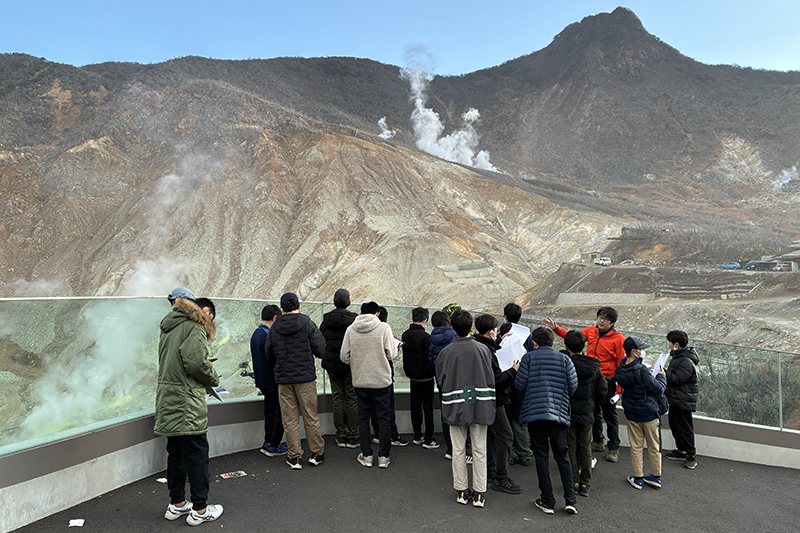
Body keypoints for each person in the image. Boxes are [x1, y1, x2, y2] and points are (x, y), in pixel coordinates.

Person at [156, 287, 224, 525]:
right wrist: (213, 378)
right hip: (187, 402)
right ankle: (200, 510)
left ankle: (177, 504)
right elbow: (195, 363)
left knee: (175, 454)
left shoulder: (167, 328)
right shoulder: (194, 327)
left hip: (169, 399)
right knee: (197, 456)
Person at [545, 307, 626, 462]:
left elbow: (621, 365)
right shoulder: (591, 331)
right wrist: (556, 329)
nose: (601, 321)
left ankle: (614, 447)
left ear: (612, 323)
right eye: (600, 317)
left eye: (605, 319)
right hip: (590, 378)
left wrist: (619, 389)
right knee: (594, 412)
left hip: (607, 380)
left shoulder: (618, 339)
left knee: (609, 414)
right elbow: (573, 339)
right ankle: (598, 441)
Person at [436, 310, 496, 508]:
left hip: (454, 405)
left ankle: (461, 491)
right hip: (480, 404)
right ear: (471, 327)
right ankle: (479, 493)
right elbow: (490, 378)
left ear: (452, 327)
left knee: (458, 449)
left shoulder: (446, 353)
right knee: (480, 449)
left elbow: (441, 381)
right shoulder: (483, 350)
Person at [515, 326, 578, 515]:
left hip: (535, 414)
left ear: (534, 342)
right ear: (552, 341)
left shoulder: (528, 358)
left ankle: (548, 500)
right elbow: (573, 386)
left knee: (541, 457)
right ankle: (571, 500)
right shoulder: (565, 359)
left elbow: (520, 385)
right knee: (562, 457)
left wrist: (518, 371)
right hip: (558, 414)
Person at [266, 292, 327, 470]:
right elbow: (320, 349)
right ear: (299, 306)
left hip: (284, 380)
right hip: (305, 378)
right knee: (310, 416)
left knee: (289, 419)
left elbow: (269, 353)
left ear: (281, 309)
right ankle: (317, 453)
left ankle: (294, 457)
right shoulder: (307, 323)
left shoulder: (275, 327)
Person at [340, 301, 398, 468]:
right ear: (377, 313)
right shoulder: (384, 328)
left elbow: (344, 356)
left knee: (363, 418)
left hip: (360, 380)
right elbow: (391, 354)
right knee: (384, 418)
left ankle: (366, 455)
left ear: (361, 313)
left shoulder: (351, 329)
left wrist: (357, 362)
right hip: (381, 380)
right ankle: (383, 457)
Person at [472, 314, 521, 495]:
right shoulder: (487, 350)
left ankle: (491, 470)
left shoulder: (478, 344)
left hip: (483, 398)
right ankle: (501, 478)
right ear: (490, 331)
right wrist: (513, 371)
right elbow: (497, 379)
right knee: (505, 435)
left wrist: (500, 341)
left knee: (492, 436)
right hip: (494, 399)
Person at [614, 336, 666, 490]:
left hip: (632, 412)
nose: (643, 351)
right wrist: (661, 376)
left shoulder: (621, 369)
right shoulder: (641, 370)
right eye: (641, 349)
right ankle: (655, 476)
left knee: (636, 446)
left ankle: (637, 478)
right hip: (649, 412)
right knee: (654, 446)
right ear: (634, 351)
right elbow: (658, 389)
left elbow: (631, 380)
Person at [563, 330, 607, 497]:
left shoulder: (565, 364)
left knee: (571, 447)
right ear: (584, 346)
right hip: (587, 413)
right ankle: (585, 483)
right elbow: (602, 390)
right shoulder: (594, 367)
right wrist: (593, 404)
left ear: (566, 346)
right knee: (585, 448)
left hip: (568, 412)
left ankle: (573, 480)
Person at [319, 288, 359, 449]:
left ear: (334, 302)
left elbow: (320, 340)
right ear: (349, 302)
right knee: (351, 398)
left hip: (332, 365)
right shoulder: (354, 320)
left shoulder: (326, 320)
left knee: (338, 398)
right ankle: (353, 436)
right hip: (350, 365)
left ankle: (341, 435)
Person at [250, 304, 287, 457]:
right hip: (272, 379)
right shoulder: (267, 336)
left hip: (262, 380)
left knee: (270, 411)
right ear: (275, 318)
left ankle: (267, 442)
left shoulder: (256, 334)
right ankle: (274, 445)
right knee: (279, 412)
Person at [501, 303, 535, 467]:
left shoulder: (502, 334)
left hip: (506, 379)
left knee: (508, 419)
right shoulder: (527, 336)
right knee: (520, 419)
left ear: (505, 316)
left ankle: (512, 452)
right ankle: (525, 452)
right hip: (522, 380)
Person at [369, 306, 407, 446]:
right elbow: (390, 354)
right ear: (385, 319)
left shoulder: (368, 331)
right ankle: (392, 435)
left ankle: (378, 434)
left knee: (373, 405)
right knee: (388, 405)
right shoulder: (385, 330)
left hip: (370, 373)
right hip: (385, 373)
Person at [401, 307, 439, 449]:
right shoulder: (426, 337)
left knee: (415, 406)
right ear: (425, 320)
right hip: (426, 377)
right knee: (427, 408)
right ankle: (429, 439)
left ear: (412, 319)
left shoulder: (405, 335)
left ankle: (417, 435)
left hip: (413, 376)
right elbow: (429, 357)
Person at [664, 330, 699, 470]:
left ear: (676, 344)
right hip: (676, 399)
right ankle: (682, 450)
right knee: (675, 424)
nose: (668, 344)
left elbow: (678, 379)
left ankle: (691, 455)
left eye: (670, 342)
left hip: (683, 400)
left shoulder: (685, 361)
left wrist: (664, 372)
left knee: (685, 428)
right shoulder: (678, 357)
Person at [428, 310, 457, 459]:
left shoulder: (431, 339)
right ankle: (461, 447)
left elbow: (431, 361)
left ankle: (450, 446)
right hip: (457, 380)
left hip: (441, 380)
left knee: (445, 412)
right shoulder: (455, 337)